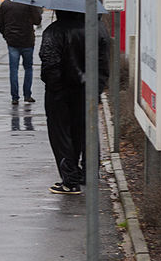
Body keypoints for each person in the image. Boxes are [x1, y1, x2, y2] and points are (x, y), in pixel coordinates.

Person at [40, 10, 110, 195]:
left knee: (61, 135)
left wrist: (56, 87)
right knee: (80, 132)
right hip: (86, 92)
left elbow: (49, 63)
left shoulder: (53, 31)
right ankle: (82, 174)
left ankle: (70, 181)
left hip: (60, 94)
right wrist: (96, 88)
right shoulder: (96, 30)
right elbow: (103, 65)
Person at [0, 0, 42, 105]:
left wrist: (6, 36)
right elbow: (37, 21)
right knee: (28, 68)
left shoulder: (6, 4)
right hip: (27, 41)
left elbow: (0, 23)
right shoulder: (29, 3)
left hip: (12, 42)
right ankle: (27, 95)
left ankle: (15, 97)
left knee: (13, 70)